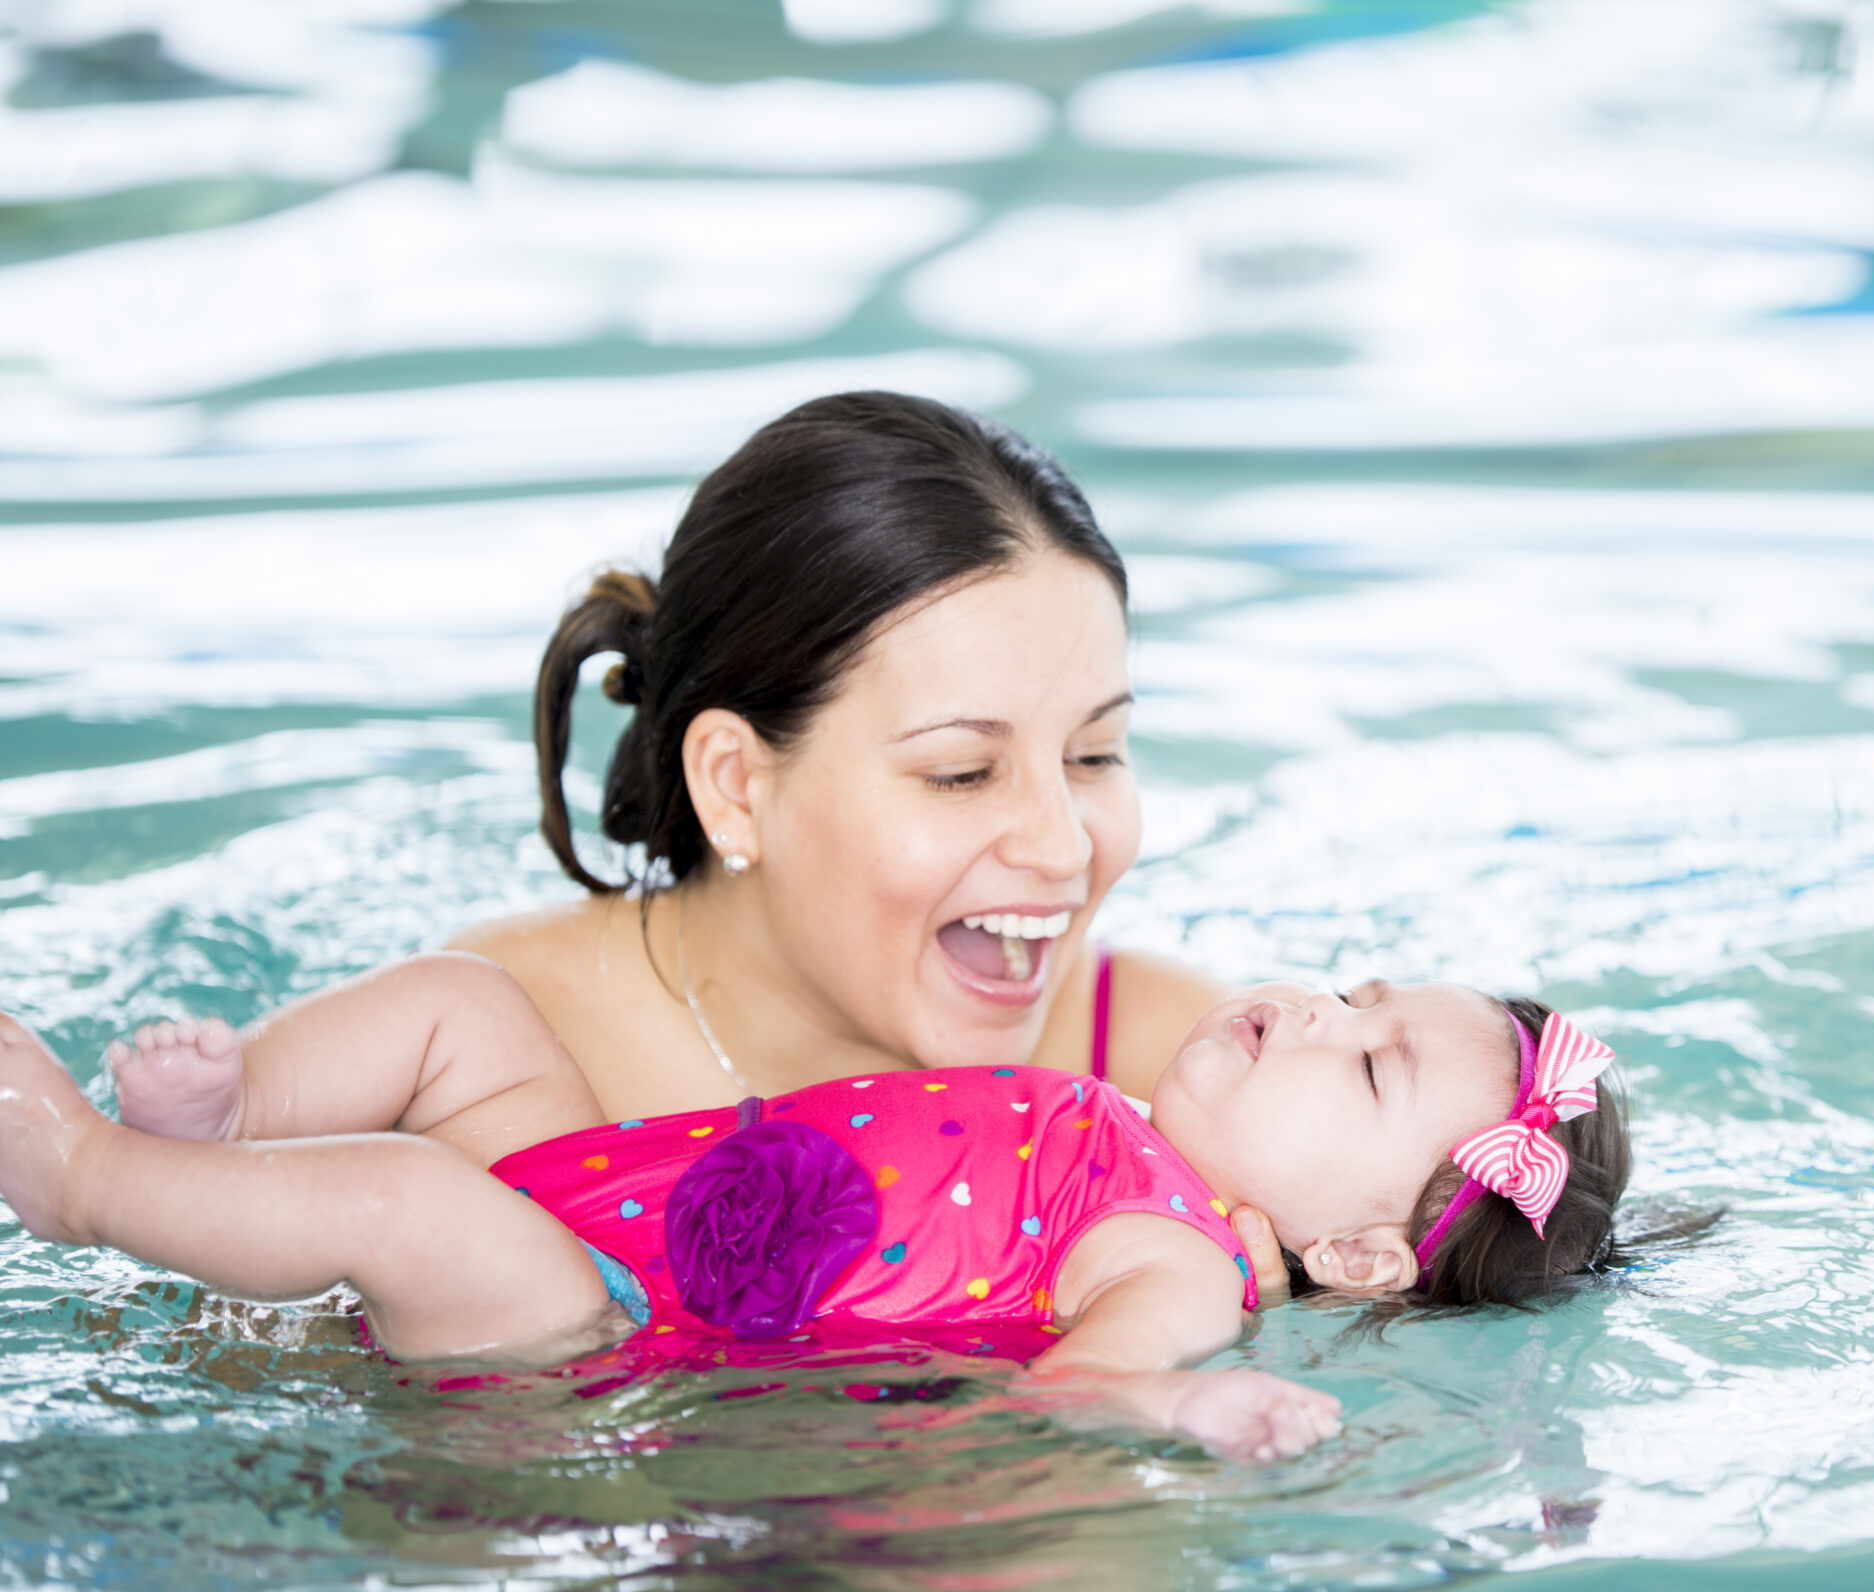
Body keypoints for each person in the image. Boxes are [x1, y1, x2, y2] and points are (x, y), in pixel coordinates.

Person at [0, 954, 1631, 1463]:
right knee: (468, 1009)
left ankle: (91, 1177)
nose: (1318, 1008)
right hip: (618, 1188)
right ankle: (237, 1119)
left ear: (1349, 1252)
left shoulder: (1184, 1258)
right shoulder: (1132, 1127)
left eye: (1364, 1068)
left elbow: (1074, 1387)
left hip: (594, 1315)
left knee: (420, 1200)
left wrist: (1188, 1397)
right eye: (1356, 987)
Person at [445, 390, 1290, 1286]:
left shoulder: (1198, 1084)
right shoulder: (484, 1067)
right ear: (735, 785)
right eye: (961, 772)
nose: (1064, 850)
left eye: (1094, 755)